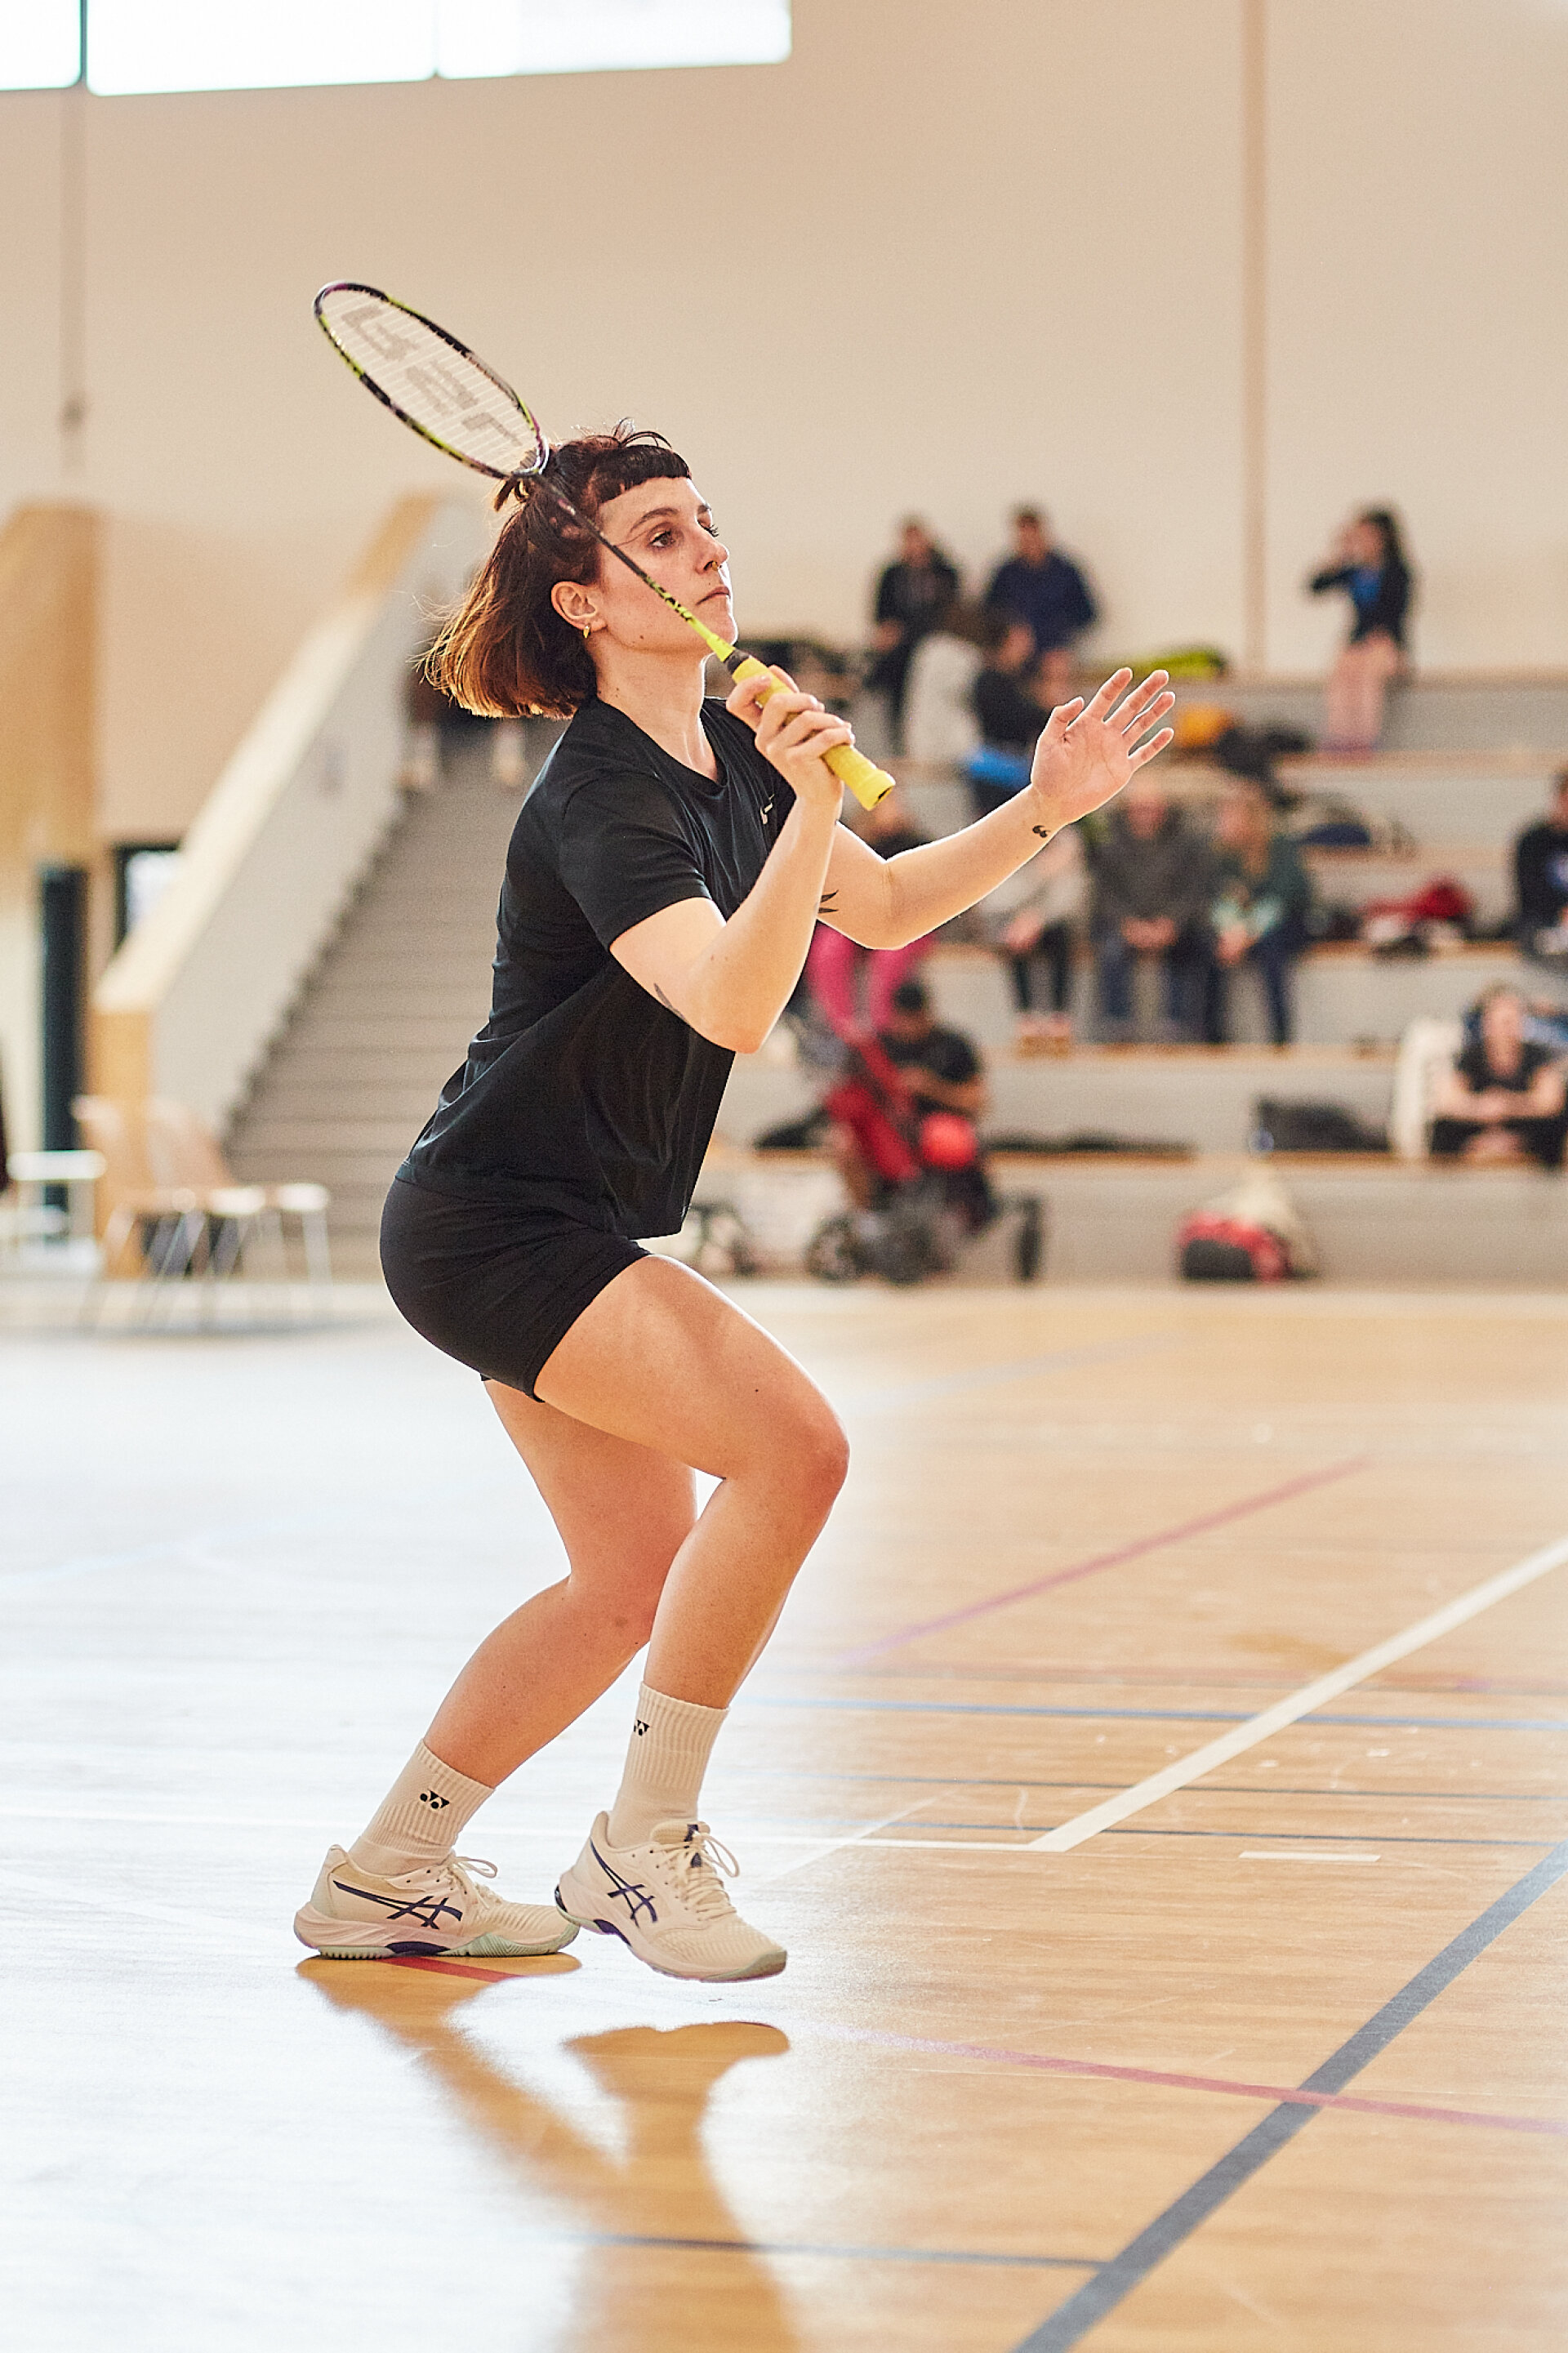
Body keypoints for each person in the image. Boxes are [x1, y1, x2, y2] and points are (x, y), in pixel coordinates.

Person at [290, 420, 1175, 1981]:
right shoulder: (602, 799)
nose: (708, 551)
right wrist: (812, 800)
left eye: (705, 522)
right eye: (661, 534)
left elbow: (883, 910)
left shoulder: (728, 755)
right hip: (496, 1221)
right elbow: (730, 1003)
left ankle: (387, 1874)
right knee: (796, 1450)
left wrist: (1050, 805)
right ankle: (645, 1844)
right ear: (584, 601)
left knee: (626, 1583)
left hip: (548, 1220)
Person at [829, 978, 995, 1232]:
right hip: (889, 1129)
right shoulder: (878, 1048)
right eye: (903, 1018)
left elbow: (977, 1101)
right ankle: (868, 1220)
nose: (908, 1026)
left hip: (937, 1124)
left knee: (945, 1137)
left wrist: (932, 1087)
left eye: (914, 1018)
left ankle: (961, 1214)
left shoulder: (953, 1044)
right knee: (842, 1142)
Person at [1088, 780, 1217, 1041]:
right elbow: (1105, 893)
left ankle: (1179, 1027)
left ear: (1163, 810)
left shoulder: (1186, 843)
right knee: (1111, 951)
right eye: (1139, 809)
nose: (1145, 815)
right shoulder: (1110, 844)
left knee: (1190, 948)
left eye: (1151, 809)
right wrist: (1127, 924)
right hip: (1125, 924)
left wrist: (1171, 922)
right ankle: (1117, 1026)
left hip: (1173, 924)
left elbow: (1194, 890)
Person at [804, 786, 933, 1034]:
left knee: (891, 956)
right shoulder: (854, 843)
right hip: (861, 919)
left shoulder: (917, 842)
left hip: (910, 921)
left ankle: (882, 1028)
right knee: (828, 948)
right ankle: (843, 1028)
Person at [1204, 782, 1314, 1045]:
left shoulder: (1280, 848)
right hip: (1237, 929)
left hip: (1281, 926)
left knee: (1272, 950)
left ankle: (1280, 1035)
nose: (1223, 823)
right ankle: (1212, 1035)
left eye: (1229, 816)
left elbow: (1284, 898)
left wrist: (1248, 932)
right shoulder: (1221, 854)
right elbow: (1217, 897)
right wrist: (1231, 932)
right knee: (1207, 947)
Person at [1307, 508, 1414, 752]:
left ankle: (1364, 737)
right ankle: (1340, 735)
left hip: (1386, 642)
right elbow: (1316, 587)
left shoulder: (1397, 571)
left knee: (1368, 673)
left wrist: (1382, 637)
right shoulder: (1354, 572)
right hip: (1359, 642)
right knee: (1342, 673)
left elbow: (1397, 611)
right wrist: (1340, 557)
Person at [1429, 984, 1566, 1168]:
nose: (1504, 1030)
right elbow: (1447, 1101)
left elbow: (1551, 1102)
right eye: (1499, 1022)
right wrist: (1482, 1109)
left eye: (1510, 1021)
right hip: (1478, 1125)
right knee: (1444, 1128)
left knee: (1552, 1126)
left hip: (1523, 1126)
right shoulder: (1470, 1056)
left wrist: (1508, 1105)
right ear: (1486, 1023)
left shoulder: (1537, 1055)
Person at [979, 824, 1086, 1049]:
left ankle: (1059, 1016)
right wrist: (1038, 874)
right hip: (1012, 921)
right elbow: (996, 897)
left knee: (1060, 937)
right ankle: (1025, 1016)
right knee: (1014, 938)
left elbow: (1071, 897)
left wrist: (1039, 918)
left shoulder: (1067, 841)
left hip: (1053, 921)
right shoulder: (1009, 835)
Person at [984, 506, 1097, 709]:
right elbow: (989, 614)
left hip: (1054, 651)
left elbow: (1087, 613)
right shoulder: (1006, 574)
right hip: (1016, 657)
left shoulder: (1065, 571)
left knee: (1057, 690)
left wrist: (1061, 635)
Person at [866, 518, 960, 749]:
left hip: (932, 645)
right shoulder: (892, 575)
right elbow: (881, 614)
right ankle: (899, 742)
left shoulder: (945, 574)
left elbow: (951, 614)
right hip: (899, 650)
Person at [966, 609, 1049, 817]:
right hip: (996, 768)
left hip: (1014, 764)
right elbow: (1014, 720)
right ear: (1007, 641)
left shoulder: (1018, 678)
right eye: (1022, 638)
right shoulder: (990, 681)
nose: (1028, 644)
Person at [1513, 767, 1568, 966]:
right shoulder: (1534, 841)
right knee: (1534, 934)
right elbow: (1530, 892)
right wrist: (1561, 913)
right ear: (1558, 799)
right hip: (1544, 919)